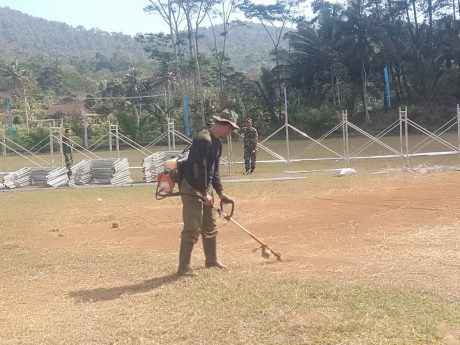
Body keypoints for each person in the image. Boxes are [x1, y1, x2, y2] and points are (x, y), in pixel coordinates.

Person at [177, 109, 239, 276]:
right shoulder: (203, 140)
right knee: (193, 225)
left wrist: (220, 193)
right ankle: (183, 267)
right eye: (231, 129)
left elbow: (214, 170)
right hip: (192, 187)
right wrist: (204, 193)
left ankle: (211, 260)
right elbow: (200, 169)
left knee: (210, 225)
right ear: (224, 125)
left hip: (205, 187)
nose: (231, 132)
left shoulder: (217, 143)